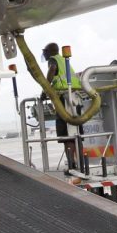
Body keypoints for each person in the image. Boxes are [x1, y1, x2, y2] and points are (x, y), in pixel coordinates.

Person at [43, 42, 82, 170]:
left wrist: (46, 89)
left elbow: (52, 69)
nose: (44, 54)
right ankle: (81, 163)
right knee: (77, 134)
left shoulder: (53, 60)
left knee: (66, 136)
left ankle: (72, 164)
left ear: (49, 51)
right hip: (74, 98)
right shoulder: (63, 61)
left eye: (45, 51)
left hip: (63, 98)